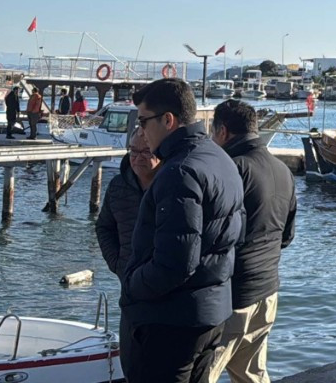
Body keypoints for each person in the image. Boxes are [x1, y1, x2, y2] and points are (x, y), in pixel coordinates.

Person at [121, 78, 245, 383]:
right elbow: (237, 235)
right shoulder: (221, 159)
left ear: (168, 120)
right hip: (210, 312)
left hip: (170, 323)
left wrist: (132, 284)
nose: (141, 131)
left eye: (144, 121)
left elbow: (175, 263)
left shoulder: (179, 172)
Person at [207, 100, 296, 383]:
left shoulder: (232, 169)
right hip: (268, 291)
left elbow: (215, 238)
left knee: (201, 374)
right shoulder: (283, 170)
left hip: (233, 296)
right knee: (251, 375)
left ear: (222, 132)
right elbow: (287, 236)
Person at [95, 129, 160, 367]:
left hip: (165, 286)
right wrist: (118, 264)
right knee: (131, 358)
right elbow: (104, 227)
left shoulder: (172, 184)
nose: (138, 157)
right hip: (130, 284)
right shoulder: (118, 185)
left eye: (146, 151)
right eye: (133, 151)